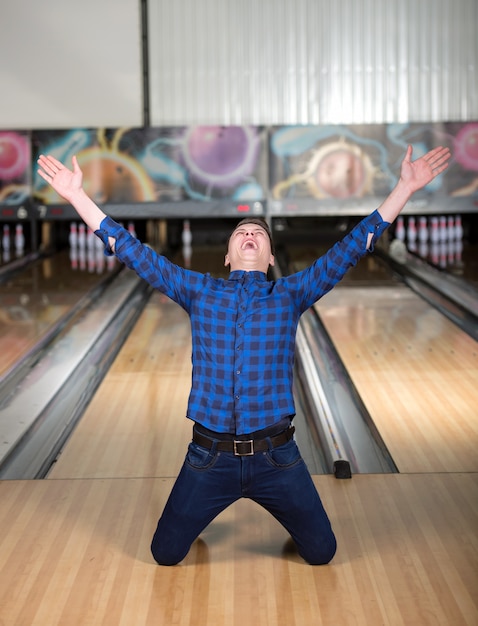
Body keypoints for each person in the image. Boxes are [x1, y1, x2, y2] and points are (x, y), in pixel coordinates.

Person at [37, 144, 450, 565]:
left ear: (271, 258)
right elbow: (131, 250)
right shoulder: (198, 290)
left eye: (259, 235)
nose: (249, 235)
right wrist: (77, 197)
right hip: (207, 459)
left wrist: (404, 188)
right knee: (164, 554)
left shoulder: (290, 293)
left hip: (277, 458)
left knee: (323, 553)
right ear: (227, 255)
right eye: (241, 233)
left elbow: (350, 248)